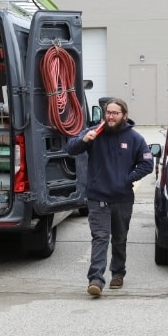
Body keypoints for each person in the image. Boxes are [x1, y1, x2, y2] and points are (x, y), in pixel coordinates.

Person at [65, 98, 154, 297]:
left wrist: (127, 179)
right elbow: (70, 149)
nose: (111, 116)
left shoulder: (134, 138)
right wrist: (83, 140)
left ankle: (118, 273)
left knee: (120, 238)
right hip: (97, 197)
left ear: (124, 115)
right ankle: (95, 279)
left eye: (115, 113)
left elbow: (148, 164)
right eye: (108, 112)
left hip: (122, 198)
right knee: (100, 238)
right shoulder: (94, 133)